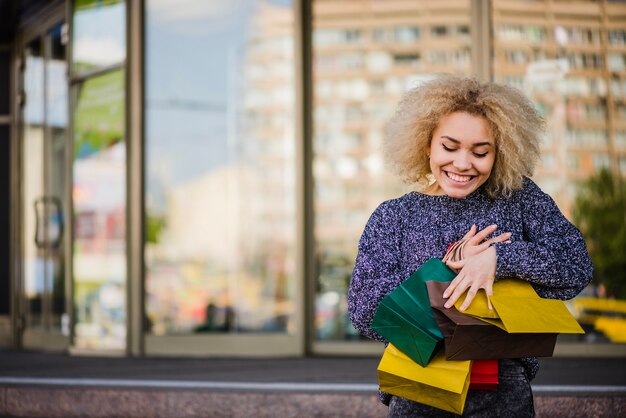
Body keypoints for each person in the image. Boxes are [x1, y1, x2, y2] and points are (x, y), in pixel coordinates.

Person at [348, 76, 593, 417]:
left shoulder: (519, 200)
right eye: (449, 147)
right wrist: (446, 272)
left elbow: (575, 266)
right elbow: (364, 312)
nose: (463, 164)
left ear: (499, 152)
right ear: (426, 145)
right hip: (419, 393)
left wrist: (498, 258)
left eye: (480, 152)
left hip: (504, 395)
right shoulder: (394, 216)